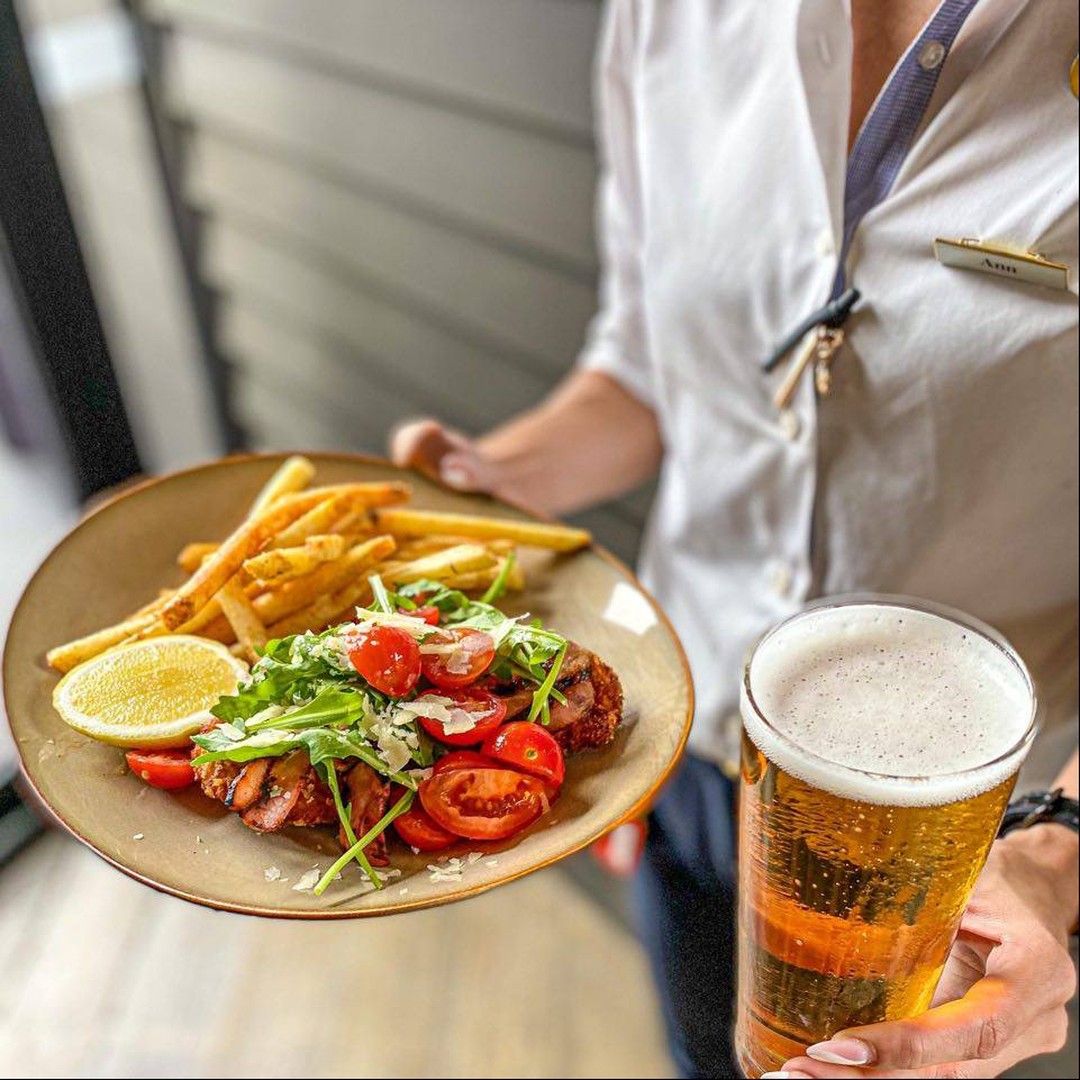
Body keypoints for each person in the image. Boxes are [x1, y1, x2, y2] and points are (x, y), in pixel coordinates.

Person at [391, 0, 1079, 1076]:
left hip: (970, 849)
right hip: (687, 753)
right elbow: (648, 372)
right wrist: (484, 486)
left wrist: (1055, 851)